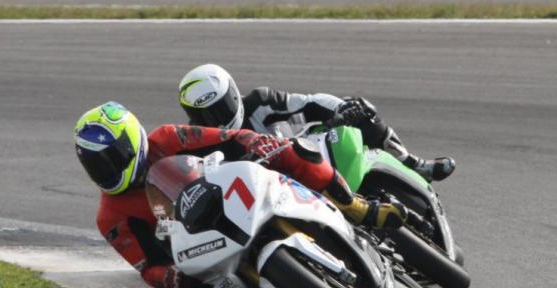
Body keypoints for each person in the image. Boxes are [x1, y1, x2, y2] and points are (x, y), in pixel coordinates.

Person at [74, 101, 406, 288]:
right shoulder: (110, 216)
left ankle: (357, 207)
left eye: (110, 158)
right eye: (95, 165)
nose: (105, 170)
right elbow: (147, 266)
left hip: (235, 201)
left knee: (294, 153)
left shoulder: (168, 138)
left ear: (131, 141)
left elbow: (229, 138)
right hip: (196, 256)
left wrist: (255, 143)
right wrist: (170, 276)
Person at [178, 64, 455, 182]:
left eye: (220, 107)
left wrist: (342, 108)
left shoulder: (262, 102)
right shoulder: (206, 149)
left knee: (361, 110)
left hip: (318, 157)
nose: (216, 119)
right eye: (205, 116)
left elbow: (311, 102)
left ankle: (413, 164)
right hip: (279, 200)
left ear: (235, 95)